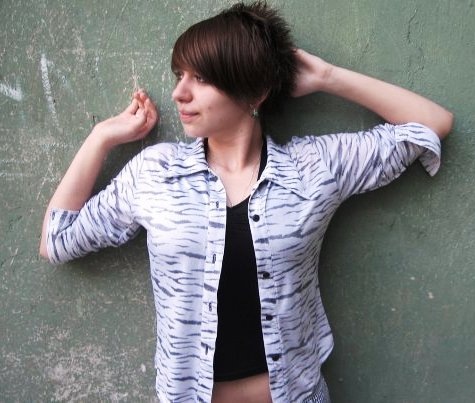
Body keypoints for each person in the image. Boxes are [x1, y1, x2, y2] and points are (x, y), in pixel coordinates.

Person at [39, 2, 453, 402]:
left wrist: (328, 77)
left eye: (201, 78)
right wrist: (102, 138)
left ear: (254, 91)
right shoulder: (156, 173)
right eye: (180, 75)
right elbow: (57, 240)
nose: (179, 92)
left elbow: (433, 123)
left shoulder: (312, 169)